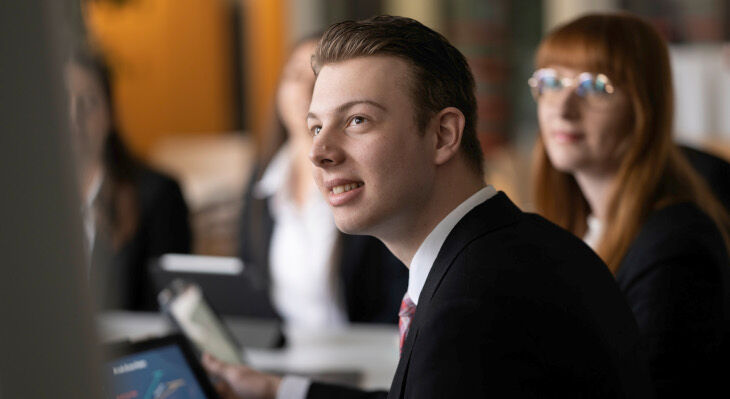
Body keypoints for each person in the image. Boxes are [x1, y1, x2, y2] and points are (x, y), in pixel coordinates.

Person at [204, 15, 653, 398]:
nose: (319, 152)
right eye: (316, 126)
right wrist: (277, 390)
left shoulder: (474, 307)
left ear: (443, 135)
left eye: (357, 120)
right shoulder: (506, 248)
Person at [530, 13, 730, 396]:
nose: (563, 107)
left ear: (644, 108)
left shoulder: (676, 248)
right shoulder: (576, 226)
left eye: (594, 87)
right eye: (551, 82)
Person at [238, 36, 407, 326]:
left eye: (317, 76)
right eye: (294, 76)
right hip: (284, 357)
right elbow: (248, 285)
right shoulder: (262, 180)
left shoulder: (371, 176)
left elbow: (397, 294)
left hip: (364, 357)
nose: (305, 89)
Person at [65, 46, 192, 310]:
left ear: (110, 114)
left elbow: (169, 308)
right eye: (62, 102)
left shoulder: (158, 195)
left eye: (88, 102)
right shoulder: (28, 201)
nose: (74, 118)